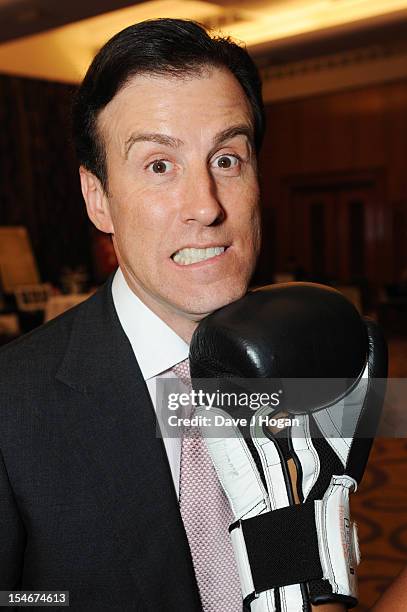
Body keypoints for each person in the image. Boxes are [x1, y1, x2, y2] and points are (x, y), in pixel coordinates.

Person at [0, 18, 354, 611]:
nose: (205, 206)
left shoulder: (314, 360)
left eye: (227, 159)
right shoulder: (12, 405)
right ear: (98, 198)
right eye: (159, 165)